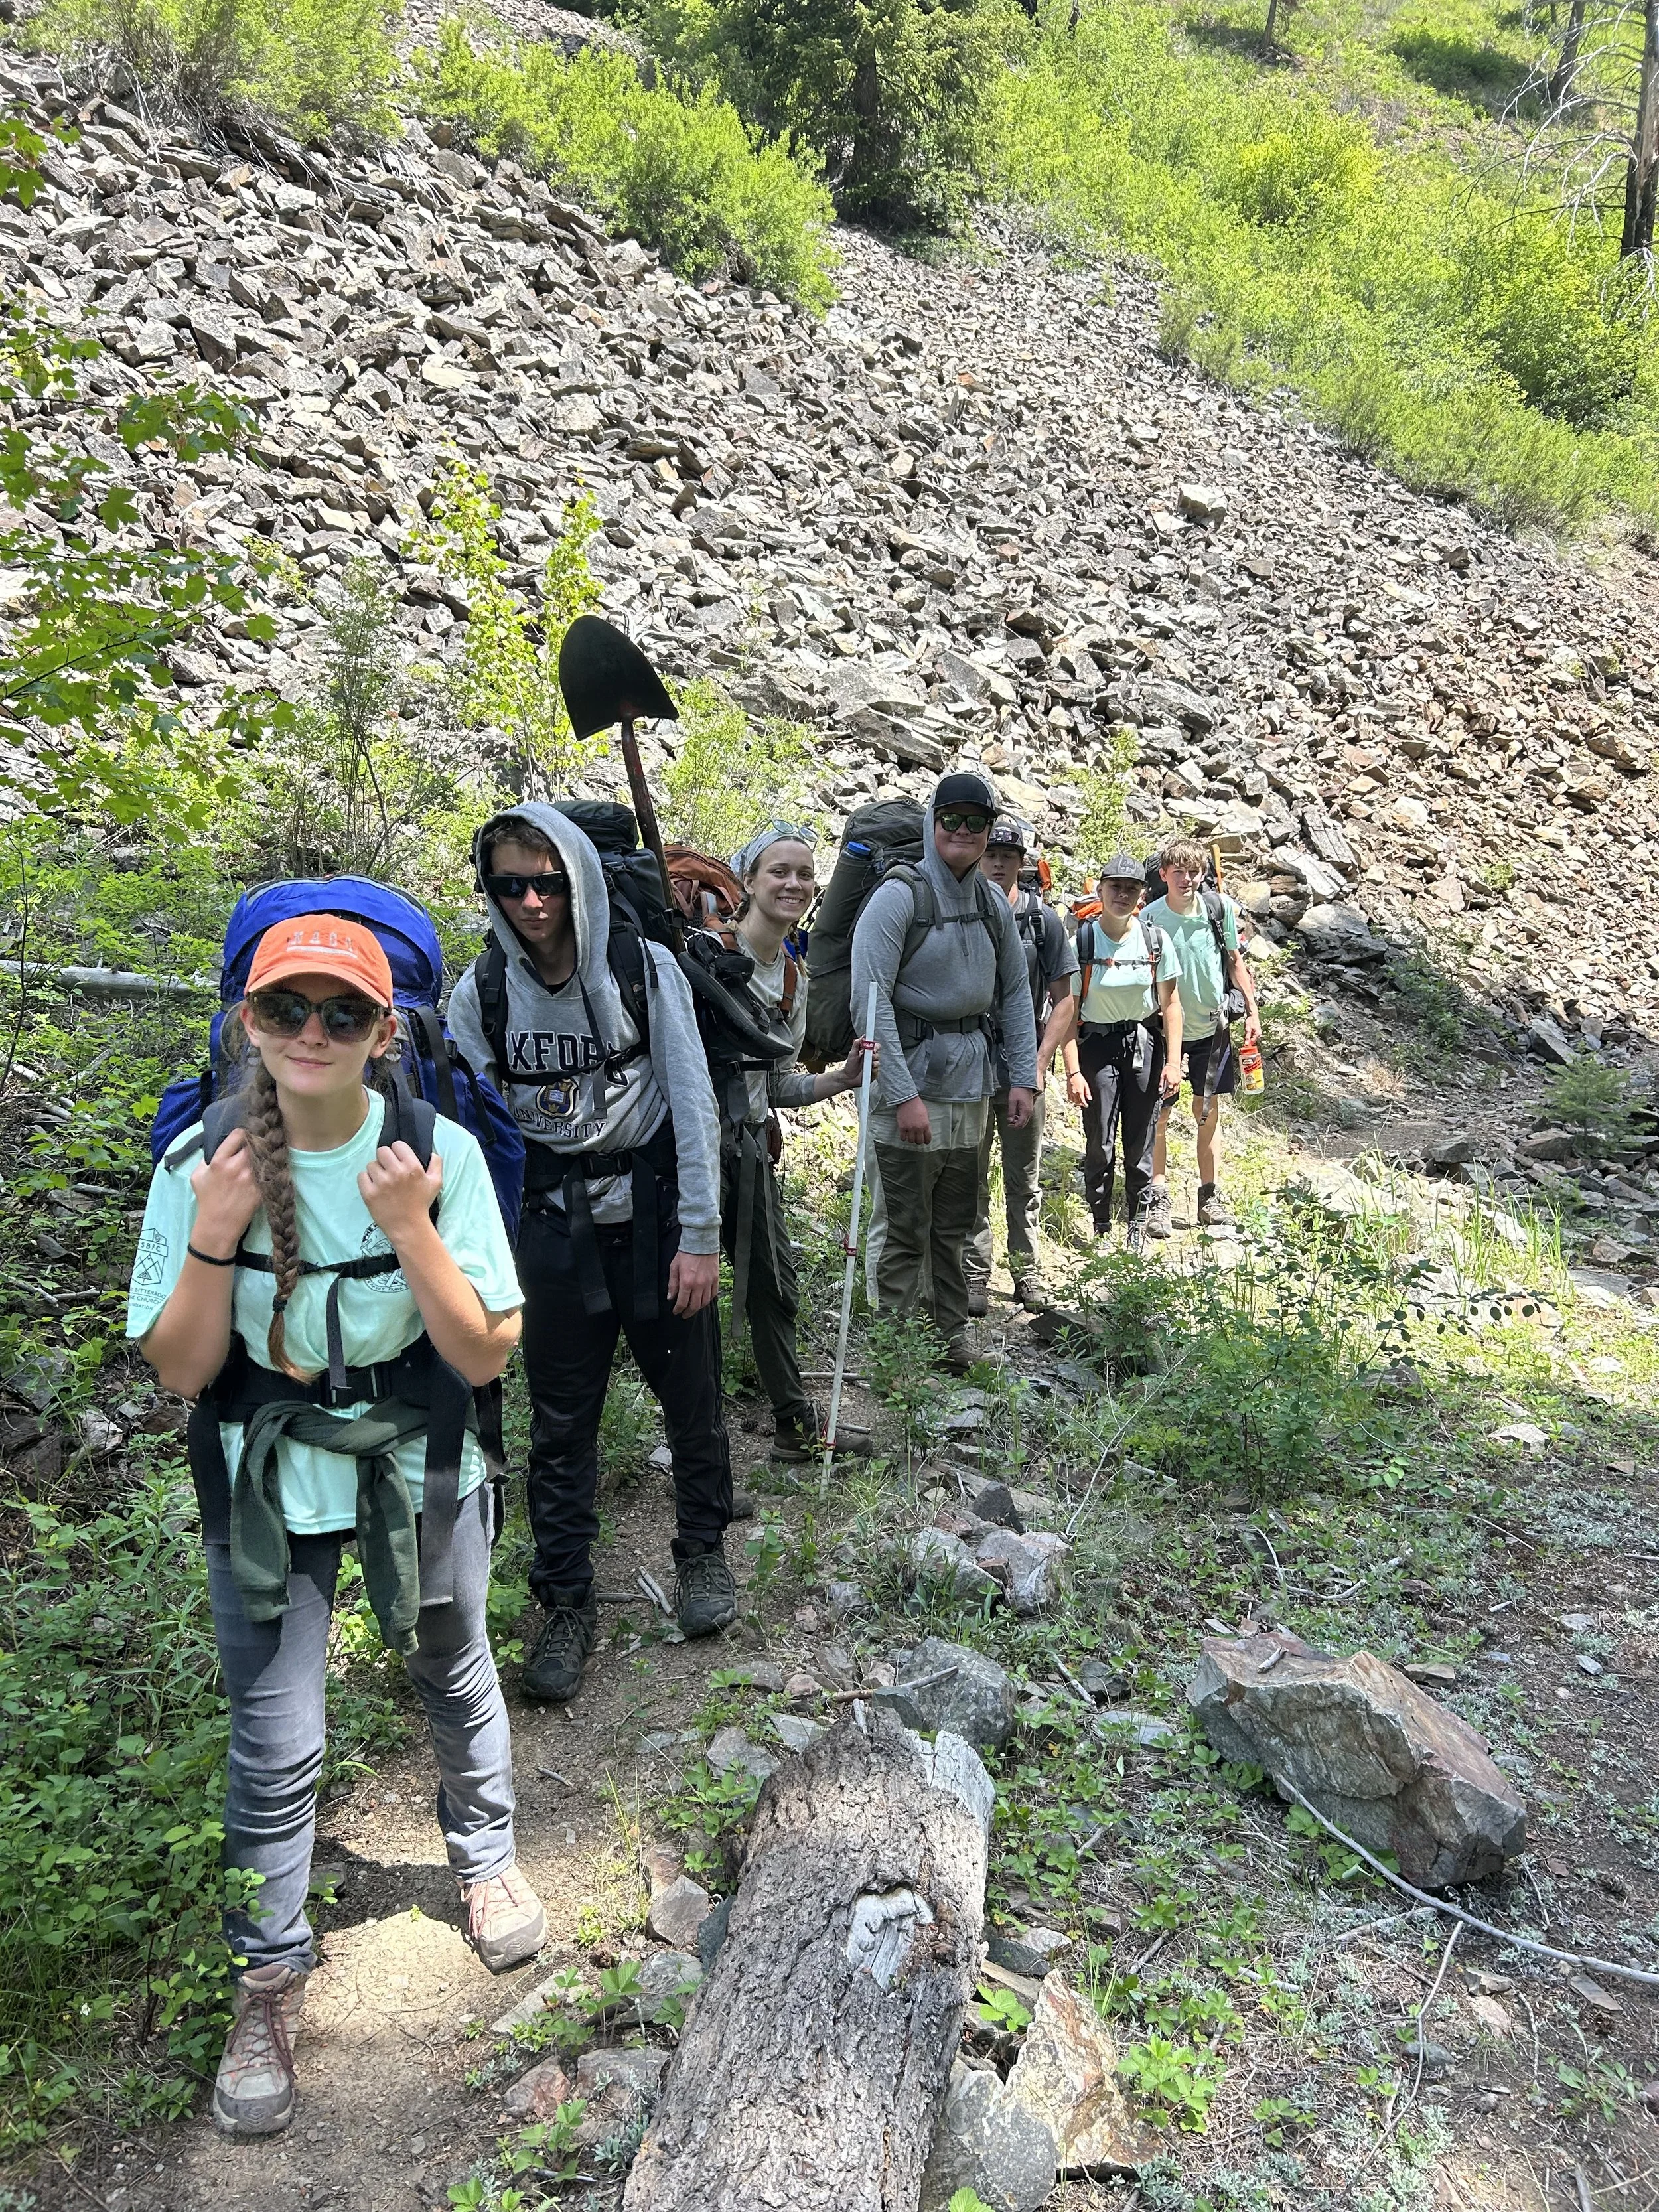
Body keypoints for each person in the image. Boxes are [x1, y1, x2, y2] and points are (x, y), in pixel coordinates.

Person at [128, 913, 541, 2141]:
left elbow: (483, 1348)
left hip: (419, 1457)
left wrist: (410, 1223)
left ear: (384, 1031)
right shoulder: (196, 1166)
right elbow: (184, 1369)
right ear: (247, 1020)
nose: (313, 1033)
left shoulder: (440, 1151)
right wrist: (216, 1227)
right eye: (287, 1009)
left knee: (451, 1662)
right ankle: (267, 1977)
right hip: (266, 1476)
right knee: (274, 1738)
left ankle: (485, 1856)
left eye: (343, 1013)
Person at [447, 806, 731, 1705]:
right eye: (510, 885)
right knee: (561, 1426)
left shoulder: (642, 970)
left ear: (578, 876)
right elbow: (474, 1144)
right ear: (489, 889)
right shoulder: (480, 994)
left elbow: (692, 1103)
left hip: (650, 1220)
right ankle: (565, 1605)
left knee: (692, 1399)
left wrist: (700, 1237)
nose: (532, 902)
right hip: (549, 1228)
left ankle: (703, 1556)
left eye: (549, 881)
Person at [851, 771, 1038, 1370]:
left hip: (971, 1085)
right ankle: (895, 1348)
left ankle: (949, 1337)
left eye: (975, 822)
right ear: (933, 823)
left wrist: (1024, 1077)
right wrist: (900, 1092)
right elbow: (870, 998)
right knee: (903, 1219)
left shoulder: (989, 902)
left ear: (988, 831)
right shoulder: (899, 895)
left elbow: (1014, 990)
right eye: (951, 819)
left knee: (954, 1220)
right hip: (910, 1080)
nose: (962, 831)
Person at [726, 820, 877, 1459]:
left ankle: (791, 1422)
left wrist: (839, 1079)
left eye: (804, 873)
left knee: (774, 1284)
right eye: (778, 871)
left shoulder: (792, 976)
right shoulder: (709, 955)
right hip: (685, 1153)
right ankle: (743, 1430)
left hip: (748, 1151)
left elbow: (777, 1084)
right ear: (749, 880)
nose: (793, 883)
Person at [966, 816, 1083, 1314]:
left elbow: (1066, 998)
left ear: (1023, 863)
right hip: (969, 1064)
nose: (997, 862)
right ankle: (973, 1275)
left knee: (1024, 1177)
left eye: (1007, 856)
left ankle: (1027, 1272)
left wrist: (1038, 1063)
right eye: (990, 853)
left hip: (1022, 1067)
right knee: (968, 1175)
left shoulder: (1043, 921)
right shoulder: (962, 911)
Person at [1141, 839, 1262, 1234]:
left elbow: (1234, 961)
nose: (1187, 879)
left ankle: (1209, 1195)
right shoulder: (1151, 918)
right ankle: (1158, 1195)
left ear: (1203, 874)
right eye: (1178, 872)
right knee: (1159, 1115)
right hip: (1163, 1032)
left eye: (1194, 872)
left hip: (1213, 1028)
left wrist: (1251, 1010)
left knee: (1207, 1113)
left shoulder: (1219, 908)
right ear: (1163, 875)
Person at [1069, 853, 1184, 1247]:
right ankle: (1102, 1226)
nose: (1122, 894)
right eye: (1115, 886)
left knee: (1141, 1140)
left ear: (1141, 895)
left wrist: (1173, 1063)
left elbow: (1170, 1005)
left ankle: (1137, 1224)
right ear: (1100, 890)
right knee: (1099, 1140)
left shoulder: (1155, 939)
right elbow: (1068, 1014)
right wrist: (1072, 1072)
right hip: (1096, 1046)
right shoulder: (1082, 941)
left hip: (1145, 1044)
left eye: (1131, 888)